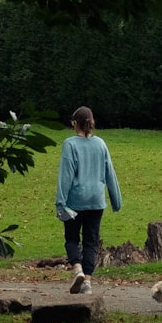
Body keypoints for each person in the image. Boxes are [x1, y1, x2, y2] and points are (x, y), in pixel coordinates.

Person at [54, 106, 122, 294]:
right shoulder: (101, 144)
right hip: (96, 200)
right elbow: (110, 173)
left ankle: (77, 269)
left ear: (74, 123)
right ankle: (88, 282)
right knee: (91, 241)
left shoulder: (70, 144)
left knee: (72, 239)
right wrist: (116, 200)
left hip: (75, 201)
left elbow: (65, 175)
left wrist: (61, 202)